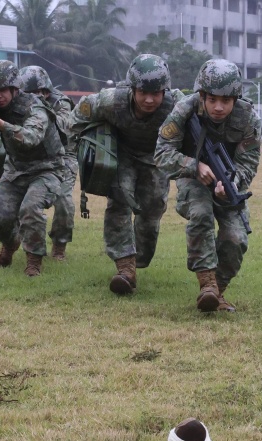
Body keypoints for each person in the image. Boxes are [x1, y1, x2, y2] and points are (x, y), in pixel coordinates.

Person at [69, 54, 183, 294]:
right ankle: (125, 268)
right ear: (132, 89)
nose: (150, 99)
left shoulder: (178, 105)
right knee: (119, 203)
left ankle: (138, 261)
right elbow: (77, 118)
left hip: (157, 158)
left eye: (156, 93)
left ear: (166, 90)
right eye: (143, 92)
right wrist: (80, 150)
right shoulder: (110, 101)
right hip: (122, 155)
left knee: (152, 212)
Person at [155, 59, 261, 313]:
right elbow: (161, 153)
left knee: (236, 238)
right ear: (201, 95)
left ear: (236, 98)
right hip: (192, 175)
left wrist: (232, 183)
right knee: (201, 214)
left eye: (225, 101)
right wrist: (194, 166)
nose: (218, 107)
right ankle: (207, 285)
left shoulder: (248, 118)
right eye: (212, 100)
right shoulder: (185, 110)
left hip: (228, 182)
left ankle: (218, 291)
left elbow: (249, 163)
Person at [0, 60, 65, 277]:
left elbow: (30, 137)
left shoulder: (35, 106)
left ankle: (33, 261)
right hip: (16, 170)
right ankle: (11, 244)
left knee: (30, 209)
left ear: (14, 88)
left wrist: (0, 123)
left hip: (47, 169)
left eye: (2, 90)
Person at [19, 65, 76, 261]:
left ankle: (59, 246)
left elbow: (64, 127)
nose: (34, 96)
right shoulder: (16, 102)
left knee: (63, 203)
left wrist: (41, 114)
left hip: (62, 155)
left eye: (38, 92)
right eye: (29, 93)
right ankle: (11, 241)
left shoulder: (60, 102)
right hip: (29, 155)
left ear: (46, 90)